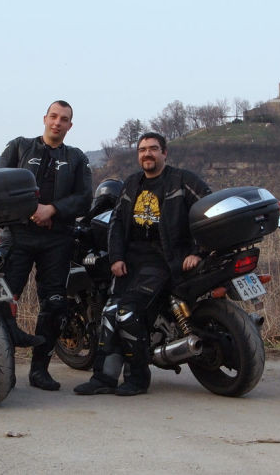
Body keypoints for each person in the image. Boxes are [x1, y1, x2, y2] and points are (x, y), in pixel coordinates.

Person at [74, 131, 210, 396]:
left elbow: (208, 210)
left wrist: (199, 251)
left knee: (127, 313)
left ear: (164, 153)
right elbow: (116, 223)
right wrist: (117, 258)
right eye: (142, 149)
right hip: (132, 261)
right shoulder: (132, 184)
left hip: (165, 261)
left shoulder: (181, 180)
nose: (147, 153)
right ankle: (104, 378)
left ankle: (137, 378)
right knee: (109, 313)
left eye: (153, 148)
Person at [0, 100, 92, 391]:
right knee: (2, 298)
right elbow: (0, 182)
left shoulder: (77, 158)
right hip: (17, 233)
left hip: (57, 238)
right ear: (44, 118)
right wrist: (30, 210)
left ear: (70, 125)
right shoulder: (19, 146)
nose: (57, 123)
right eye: (53, 116)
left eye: (64, 119)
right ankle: (3, 367)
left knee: (54, 303)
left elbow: (84, 197)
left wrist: (52, 210)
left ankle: (40, 370)